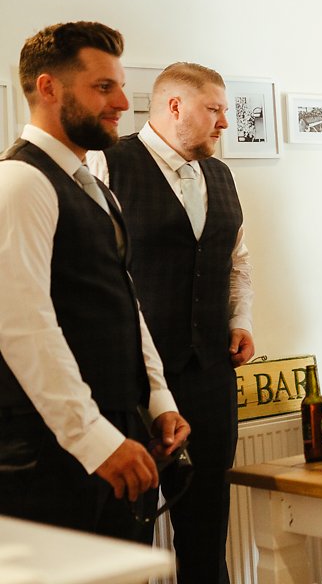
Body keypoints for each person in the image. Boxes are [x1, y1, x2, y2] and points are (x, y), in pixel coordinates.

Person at [0, 21, 190, 542]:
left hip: (120, 431)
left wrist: (158, 402)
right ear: (48, 88)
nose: (123, 103)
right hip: (50, 452)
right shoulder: (19, 182)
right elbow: (23, 326)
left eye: (121, 86)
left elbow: (124, 304)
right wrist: (94, 439)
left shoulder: (96, 188)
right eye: (103, 87)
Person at [90, 62, 254, 583]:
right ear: (174, 107)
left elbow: (238, 261)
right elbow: (98, 274)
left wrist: (240, 319)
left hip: (210, 377)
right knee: (127, 534)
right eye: (214, 110)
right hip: (132, 383)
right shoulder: (107, 165)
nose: (223, 123)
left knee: (207, 530)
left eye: (225, 111)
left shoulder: (221, 174)